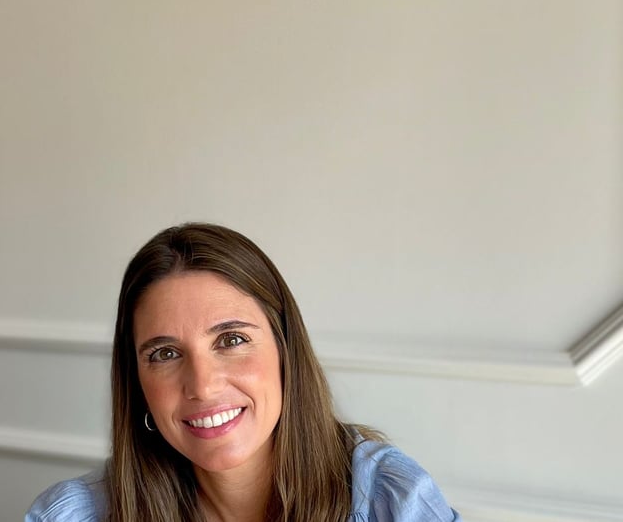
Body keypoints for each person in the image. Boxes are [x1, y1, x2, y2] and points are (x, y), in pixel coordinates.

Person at [26, 223, 461, 521]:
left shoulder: (390, 502)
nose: (202, 385)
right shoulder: (73, 515)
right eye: (165, 353)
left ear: (286, 350)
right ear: (138, 382)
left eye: (231, 340)